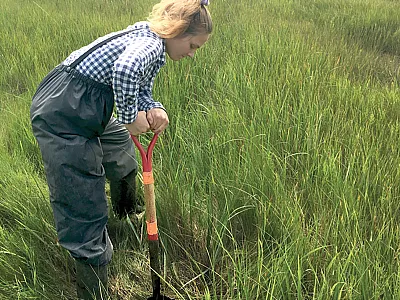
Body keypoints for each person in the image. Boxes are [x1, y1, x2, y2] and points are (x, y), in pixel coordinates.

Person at [30, 0, 212, 298]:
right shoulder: (151, 44)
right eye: (193, 46)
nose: (192, 54)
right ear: (177, 31)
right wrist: (129, 119)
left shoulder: (154, 44)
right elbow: (125, 70)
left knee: (122, 153)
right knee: (82, 205)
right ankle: (93, 289)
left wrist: (153, 108)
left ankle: (126, 215)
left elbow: (138, 86)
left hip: (86, 106)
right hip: (62, 112)